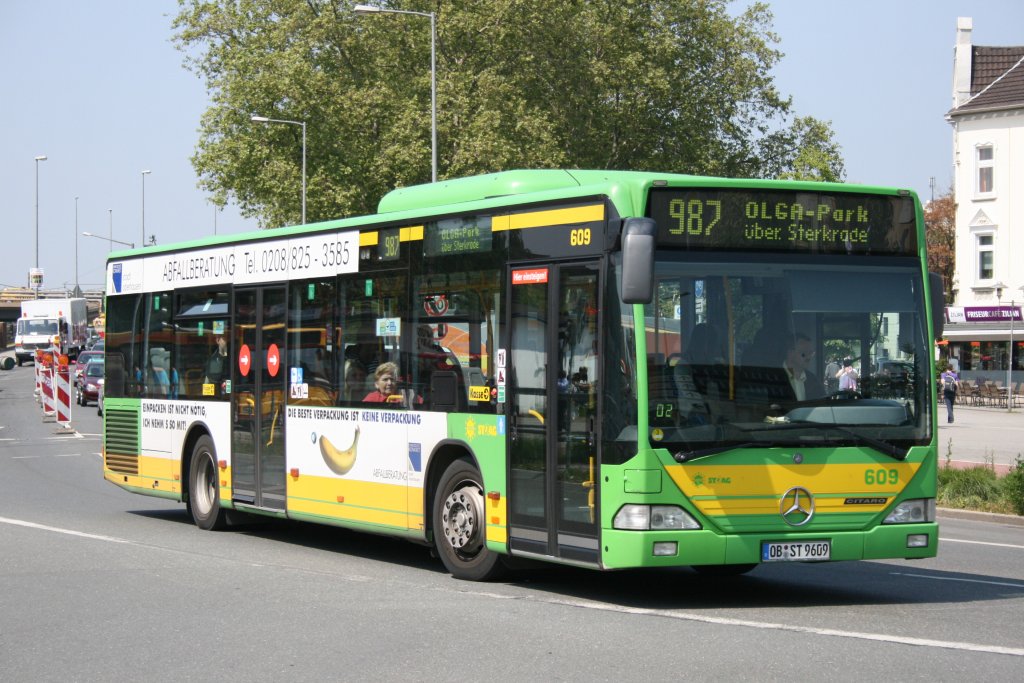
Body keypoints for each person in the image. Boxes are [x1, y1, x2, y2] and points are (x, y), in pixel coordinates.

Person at [783, 333, 825, 401]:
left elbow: (822, 406)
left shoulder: (814, 380)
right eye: (804, 353)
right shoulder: (773, 377)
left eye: (811, 353)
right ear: (790, 352)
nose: (809, 357)